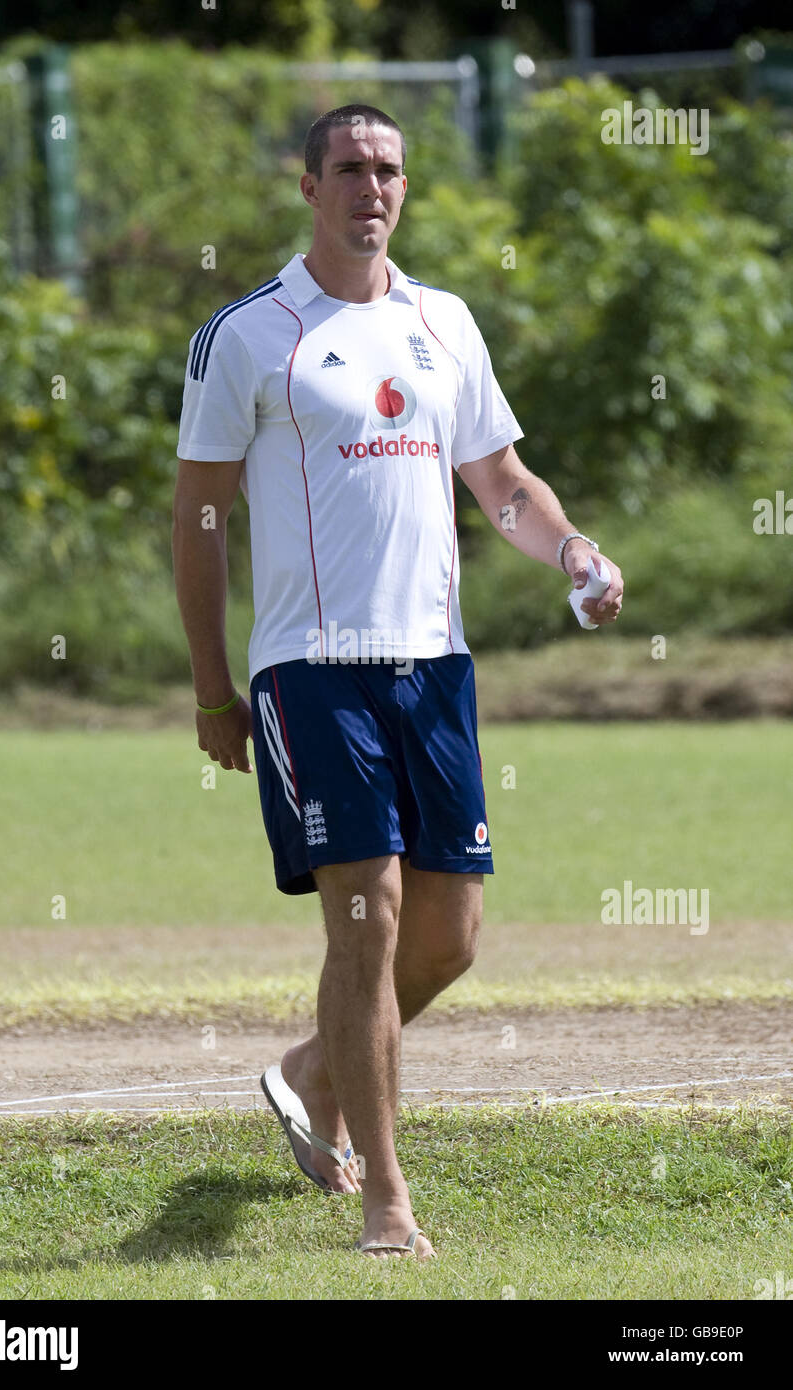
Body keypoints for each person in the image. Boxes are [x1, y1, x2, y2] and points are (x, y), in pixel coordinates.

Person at [173, 103, 624, 1261]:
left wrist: (570, 549)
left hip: (434, 669)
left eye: (388, 171)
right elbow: (200, 517)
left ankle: (312, 1068)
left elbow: (501, 482)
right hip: (311, 672)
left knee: (448, 939)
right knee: (365, 922)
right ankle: (386, 1196)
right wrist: (214, 690)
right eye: (349, 169)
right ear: (307, 187)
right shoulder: (249, 334)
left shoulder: (445, 323)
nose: (371, 188)